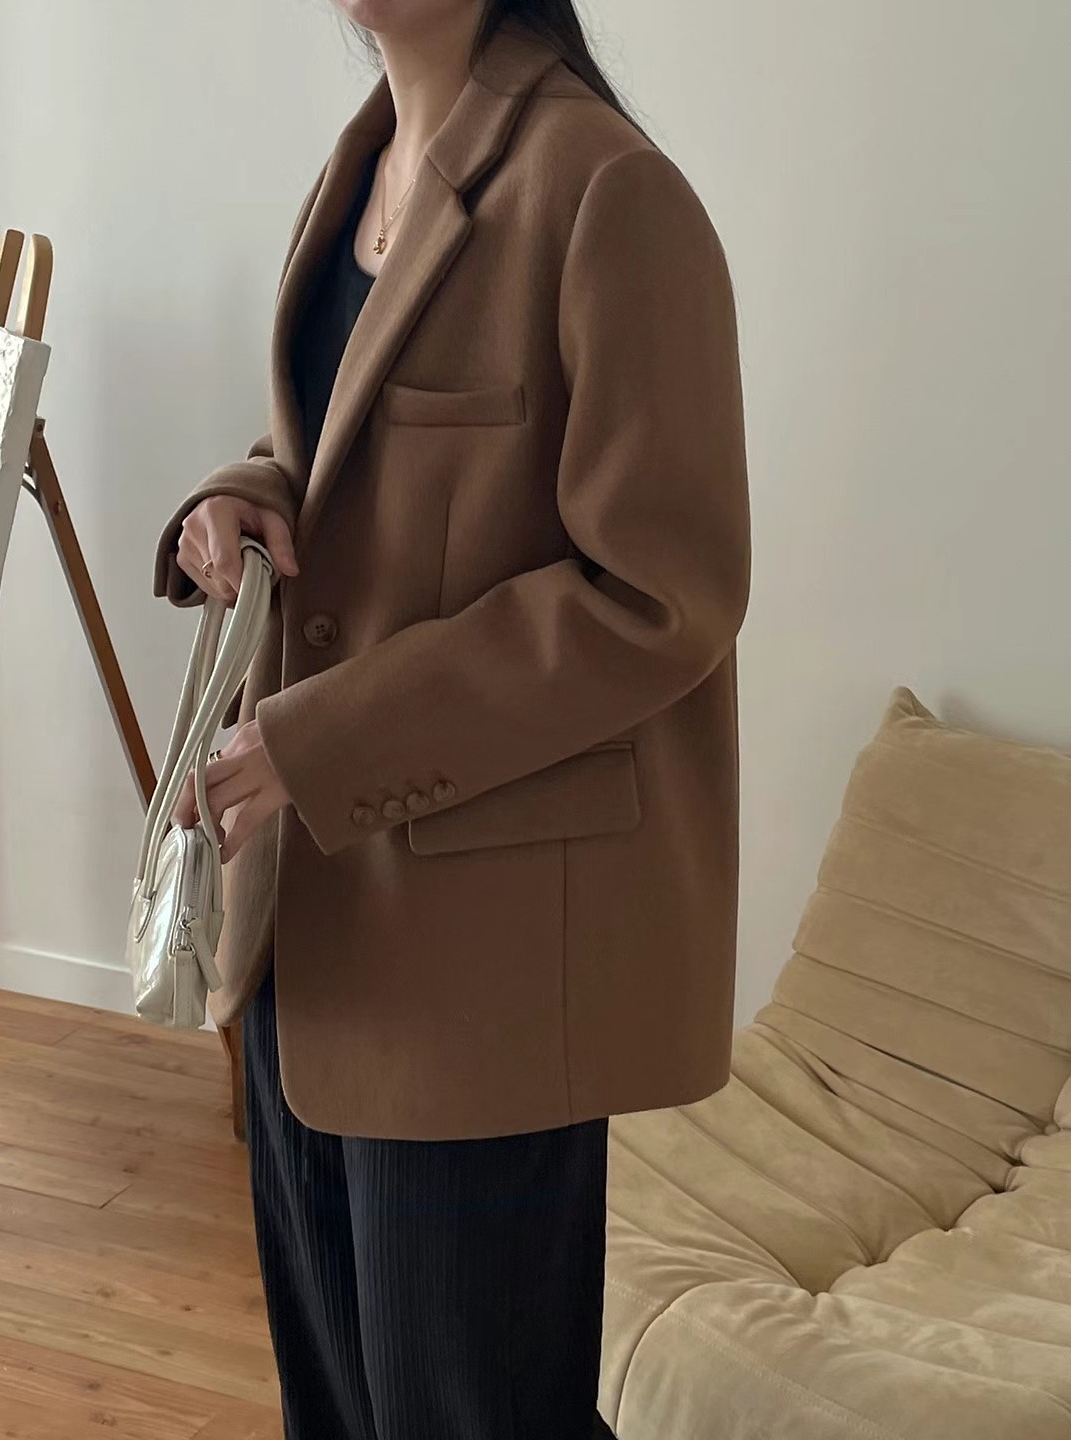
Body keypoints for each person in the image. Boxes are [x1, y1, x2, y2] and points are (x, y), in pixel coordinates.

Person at [153, 2, 750, 1436]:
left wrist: (321, 742)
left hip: (485, 972)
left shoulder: (609, 193)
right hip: (305, 928)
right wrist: (247, 494)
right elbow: (355, 469)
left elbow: (660, 596)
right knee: (334, 1407)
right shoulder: (356, 169)